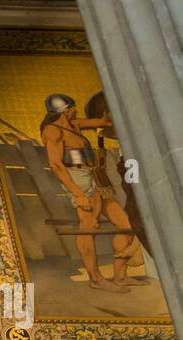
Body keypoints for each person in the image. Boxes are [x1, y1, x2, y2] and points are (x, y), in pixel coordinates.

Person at [39, 92, 148, 293]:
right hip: (78, 179)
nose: (76, 110)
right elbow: (55, 164)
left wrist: (110, 114)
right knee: (88, 227)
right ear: (64, 110)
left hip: (94, 177)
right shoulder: (53, 131)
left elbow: (102, 122)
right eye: (72, 107)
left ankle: (120, 276)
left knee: (126, 224)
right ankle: (96, 279)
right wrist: (77, 193)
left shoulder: (74, 124)